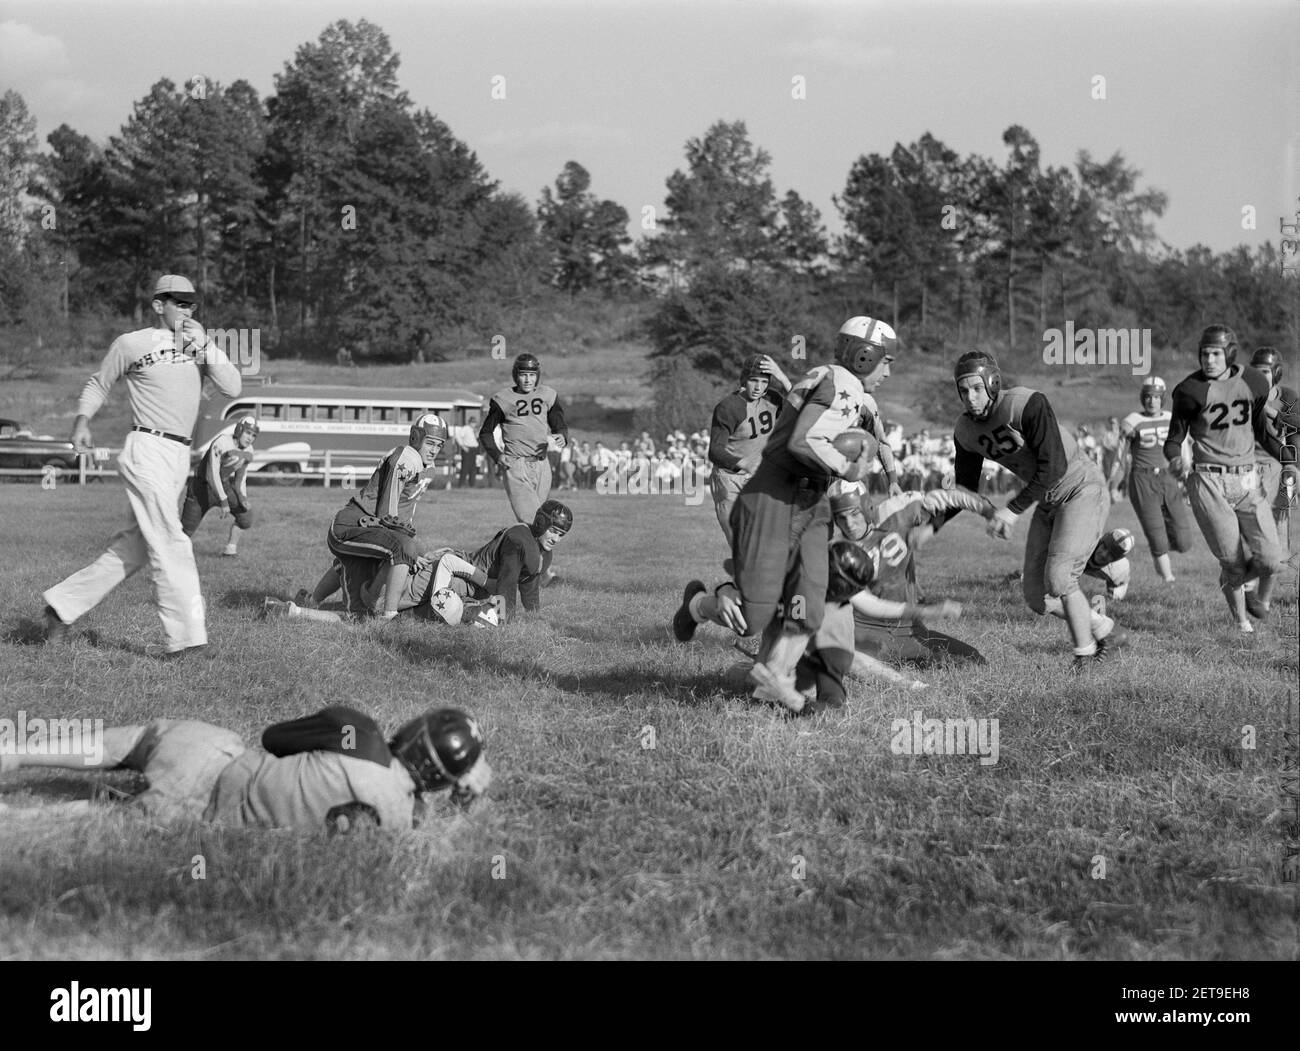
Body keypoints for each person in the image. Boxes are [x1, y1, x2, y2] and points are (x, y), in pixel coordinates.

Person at [673, 316, 899, 714]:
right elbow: (803, 440)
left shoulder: (842, 385)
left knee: (810, 601)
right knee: (754, 617)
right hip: (774, 501)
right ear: (865, 356)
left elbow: (869, 438)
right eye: (886, 360)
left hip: (811, 503)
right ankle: (698, 605)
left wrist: (879, 471)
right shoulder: (842, 385)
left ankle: (776, 681)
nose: (889, 369)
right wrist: (848, 469)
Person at [41, 275, 242, 658]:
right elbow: (99, 383)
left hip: (178, 456)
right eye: (177, 303)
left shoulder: (197, 343)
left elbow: (232, 387)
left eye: (190, 304)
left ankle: (61, 608)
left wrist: (207, 345)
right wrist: (82, 421)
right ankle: (187, 642)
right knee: (172, 540)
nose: (185, 310)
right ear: (157, 305)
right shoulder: (131, 343)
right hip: (146, 446)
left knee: (132, 549)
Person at [0, 706, 490, 830]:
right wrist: (464, 798)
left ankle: (18, 752)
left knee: (137, 742)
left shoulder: (359, 734)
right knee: (109, 817)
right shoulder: (401, 821)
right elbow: (419, 805)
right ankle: (18, 819)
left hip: (212, 761)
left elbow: (273, 739)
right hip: (195, 814)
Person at [943, 351, 1127, 672]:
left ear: (992, 383)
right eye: (963, 390)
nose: (970, 397)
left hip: (1080, 487)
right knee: (1036, 597)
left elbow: (1053, 466)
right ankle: (1102, 626)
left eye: (976, 388)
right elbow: (966, 489)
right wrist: (920, 517)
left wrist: (1012, 510)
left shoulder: (1025, 404)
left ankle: (1086, 656)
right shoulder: (966, 430)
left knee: (1059, 580)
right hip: (1048, 499)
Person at [1166, 326, 1287, 632]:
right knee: (1232, 560)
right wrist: (1175, 458)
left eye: (1215, 353)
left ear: (1230, 353)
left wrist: (1290, 461)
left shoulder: (1253, 381)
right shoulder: (1189, 390)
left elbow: (1262, 431)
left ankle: (1238, 583)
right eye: (1204, 353)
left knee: (1272, 560)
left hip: (1247, 479)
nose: (1209, 359)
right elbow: (1173, 439)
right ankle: (1242, 623)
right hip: (1208, 481)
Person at [312, 413, 448, 621]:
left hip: (371, 527)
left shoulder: (428, 469)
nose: (434, 450)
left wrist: (411, 548)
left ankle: (312, 601)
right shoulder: (407, 457)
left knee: (352, 566)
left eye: (439, 445)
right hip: (354, 522)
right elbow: (387, 515)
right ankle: (388, 616)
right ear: (416, 438)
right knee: (402, 552)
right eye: (430, 443)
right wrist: (408, 550)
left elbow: (404, 512)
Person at [1107, 376, 1196, 583]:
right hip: (1142, 479)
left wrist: (1188, 479)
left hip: (1169, 478)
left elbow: (1185, 451)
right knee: (1156, 536)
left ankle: (1164, 539)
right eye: (1148, 396)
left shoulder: (1173, 417)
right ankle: (1168, 580)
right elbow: (1120, 457)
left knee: (1184, 541)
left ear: (1162, 398)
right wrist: (1113, 485)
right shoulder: (1132, 421)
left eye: (1156, 397)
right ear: (1142, 398)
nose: (1151, 401)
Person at [707, 354, 792, 546]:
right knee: (742, 545)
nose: (759, 387)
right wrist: (745, 464)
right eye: (754, 380)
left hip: (760, 479)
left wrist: (781, 376)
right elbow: (715, 451)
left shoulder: (773, 398)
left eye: (764, 381)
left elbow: (802, 406)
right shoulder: (729, 407)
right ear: (744, 380)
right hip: (730, 480)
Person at [479, 353, 568, 523]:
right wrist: (498, 456)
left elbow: (559, 423)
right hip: (517, 464)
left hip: (542, 464)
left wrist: (562, 435)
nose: (528, 380)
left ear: (537, 376)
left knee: (543, 520)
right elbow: (485, 432)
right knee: (532, 521)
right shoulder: (504, 399)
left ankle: (536, 550)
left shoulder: (548, 395)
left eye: (532, 375)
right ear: (516, 376)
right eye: (523, 375)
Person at [181, 414, 258, 557]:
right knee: (185, 532)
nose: (250, 438)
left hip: (223, 484)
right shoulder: (222, 442)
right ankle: (164, 553)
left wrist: (242, 497)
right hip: (201, 488)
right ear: (239, 429)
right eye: (248, 433)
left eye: (253, 435)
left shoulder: (249, 451)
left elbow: (240, 477)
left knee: (245, 518)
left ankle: (230, 550)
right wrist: (224, 501)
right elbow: (212, 473)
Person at [1248, 346, 1299, 537]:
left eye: (1265, 372)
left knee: (1279, 529)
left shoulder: (1287, 396)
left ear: (1276, 373)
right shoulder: (1243, 396)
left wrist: (1272, 412)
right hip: (1248, 467)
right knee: (1253, 529)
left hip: (1277, 466)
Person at [452, 415, 480, 489]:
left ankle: (472, 484)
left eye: (475, 423)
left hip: (474, 450)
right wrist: (463, 446)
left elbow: (475, 439)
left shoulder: (474, 430)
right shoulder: (465, 428)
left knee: (473, 468)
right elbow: (458, 436)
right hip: (467, 449)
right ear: (469, 422)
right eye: (473, 422)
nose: (474, 424)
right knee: (465, 467)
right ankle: (461, 484)